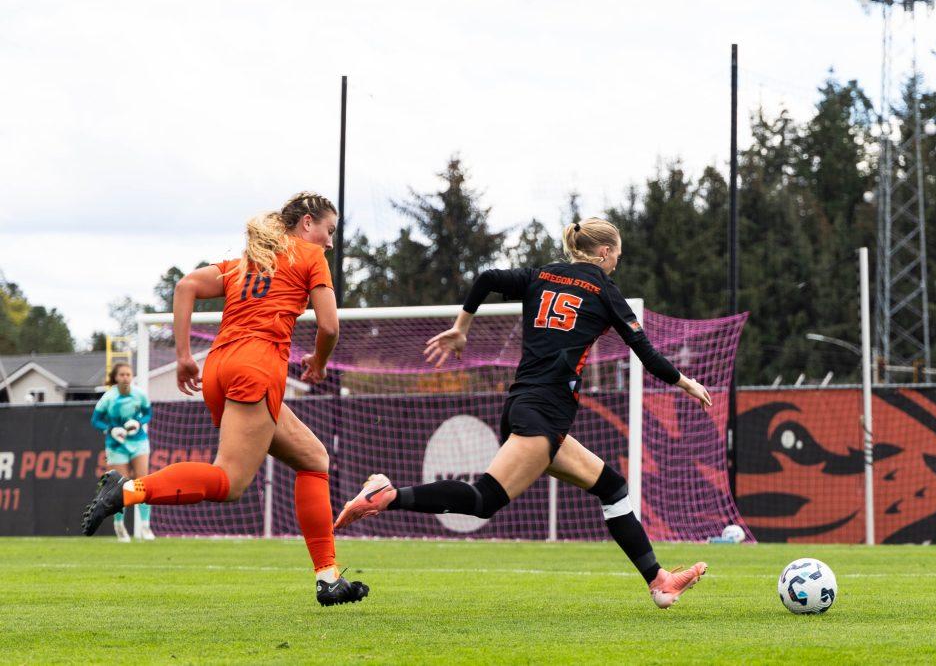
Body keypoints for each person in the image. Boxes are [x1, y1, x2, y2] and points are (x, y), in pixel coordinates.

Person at [335, 217, 712, 609]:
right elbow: (646, 354)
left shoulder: (542, 275)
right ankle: (387, 495)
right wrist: (687, 383)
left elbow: (486, 277)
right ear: (604, 252)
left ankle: (660, 581)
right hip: (543, 413)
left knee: (612, 486)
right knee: (483, 500)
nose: (617, 260)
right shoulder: (603, 289)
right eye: (617, 252)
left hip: (526, 407)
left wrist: (462, 328)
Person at [83, 192, 368, 606]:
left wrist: (183, 357)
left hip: (219, 366)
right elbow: (329, 326)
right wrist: (320, 363)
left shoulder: (249, 262)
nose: (329, 241)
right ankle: (126, 491)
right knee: (229, 482)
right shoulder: (309, 256)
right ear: (307, 223)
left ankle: (328, 578)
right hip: (257, 368)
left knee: (313, 458)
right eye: (329, 230)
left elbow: (186, 286)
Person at [90, 363, 155, 542]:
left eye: (128, 374)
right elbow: (96, 420)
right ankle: (119, 525)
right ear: (116, 377)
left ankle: (145, 526)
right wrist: (110, 429)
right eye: (122, 374)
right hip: (116, 444)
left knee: (142, 481)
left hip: (138, 442)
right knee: (120, 486)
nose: (126, 377)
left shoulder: (139, 394)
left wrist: (138, 423)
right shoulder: (108, 398)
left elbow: (148, 413)